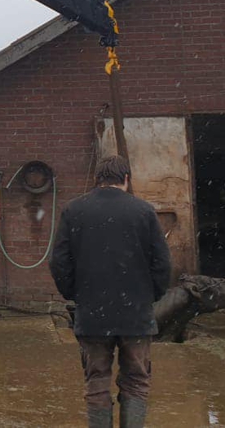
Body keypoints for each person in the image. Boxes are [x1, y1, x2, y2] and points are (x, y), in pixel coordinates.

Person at [49, 155, 171, 428]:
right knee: (137, 381)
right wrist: (150, 296)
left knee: (97, 382)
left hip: (93, 314)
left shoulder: (74, 211)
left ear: (98, 180)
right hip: (136, 316)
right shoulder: (144, 212)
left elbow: (59, 262)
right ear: (126, 179)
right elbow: (162, 264)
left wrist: (76, 294)